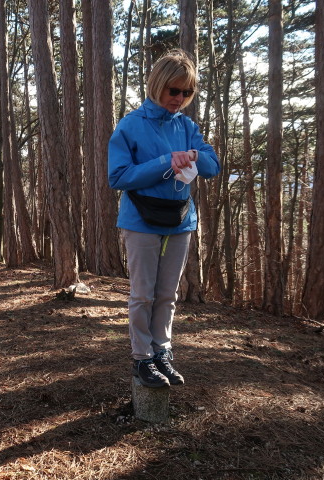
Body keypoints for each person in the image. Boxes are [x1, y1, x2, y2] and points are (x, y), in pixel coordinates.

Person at [108, 49, 220, 388]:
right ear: (158, 85)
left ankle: (162, 352)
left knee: (168, 293)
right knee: (143, 293)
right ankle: (142, 358)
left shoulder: (187, 126)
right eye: (174, 90)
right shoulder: (130, 125)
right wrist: (164, 163)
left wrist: (196, 155)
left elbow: (212, 167)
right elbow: (119, 177)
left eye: (187, 92)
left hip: (180, 220)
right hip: (140, 220)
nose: (180, 98)